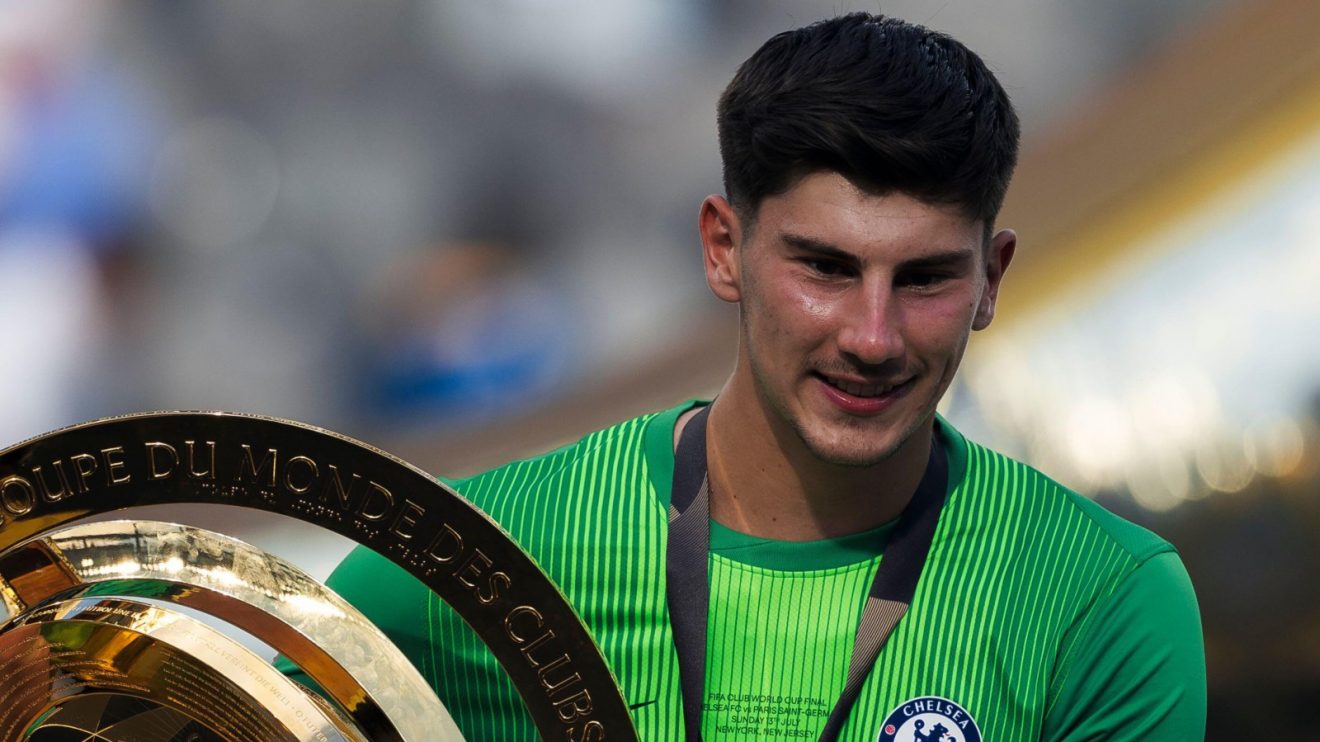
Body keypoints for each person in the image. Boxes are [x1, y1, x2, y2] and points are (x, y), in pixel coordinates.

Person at [323, 13, 1206, 741]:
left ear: (991, 280)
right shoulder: (473, 558)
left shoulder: (1100, 600)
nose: (872, 336)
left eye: (925, 278)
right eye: (824, 268)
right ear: (724, 249)